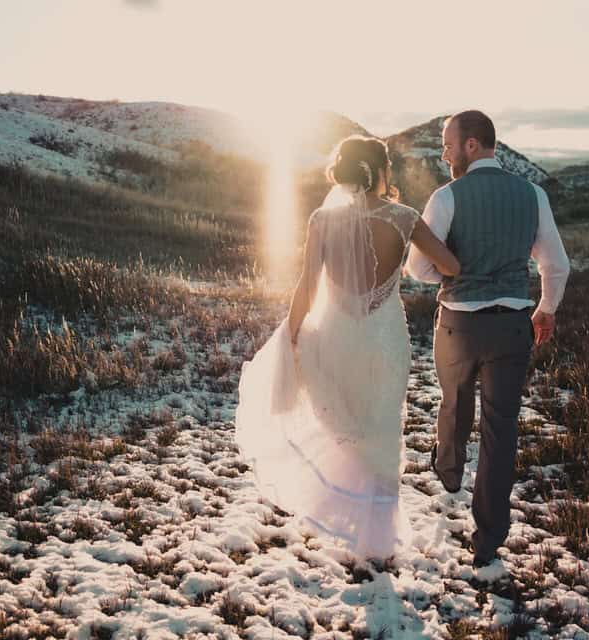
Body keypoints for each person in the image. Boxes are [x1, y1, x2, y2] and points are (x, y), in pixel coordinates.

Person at [235, 135, 460, 560]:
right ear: (381, 171)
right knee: (381, 429)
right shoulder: (404, 218)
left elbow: (307, 285)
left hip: (335, 335)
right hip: (384, 339)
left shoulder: (322, 219)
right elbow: (450, 266)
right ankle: (378, 537)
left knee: (349, 429)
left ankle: (351, 520)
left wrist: (294, 333)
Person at [405, 110, 570, 568]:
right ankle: (488, 541)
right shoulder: (533, 195)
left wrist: (456, 267)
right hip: (512, 327)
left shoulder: (446, 197)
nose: (443, 153)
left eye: (447, 144)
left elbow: (418, 268)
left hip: (458, 325)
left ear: (472, 145)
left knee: (454, 403)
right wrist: (546, 309)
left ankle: (449, 466)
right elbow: (556, 264)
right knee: (501, 432)